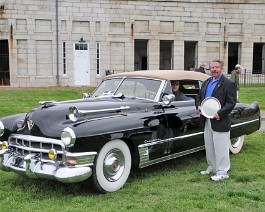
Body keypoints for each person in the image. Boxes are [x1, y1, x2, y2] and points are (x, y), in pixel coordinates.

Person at [195, 59, 237, 181]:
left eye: (216, 67)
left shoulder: (228, 83)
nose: (214, 69)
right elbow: (199, 96)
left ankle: (223, 172)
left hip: (220, 120)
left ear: (221, 68)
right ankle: (212, 168)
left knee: (221, 147)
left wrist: (219, 113)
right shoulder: (206, 82)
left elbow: (231, 102)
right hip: (207, 119)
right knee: (209, 145)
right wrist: (198, 105)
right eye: (212, 67)